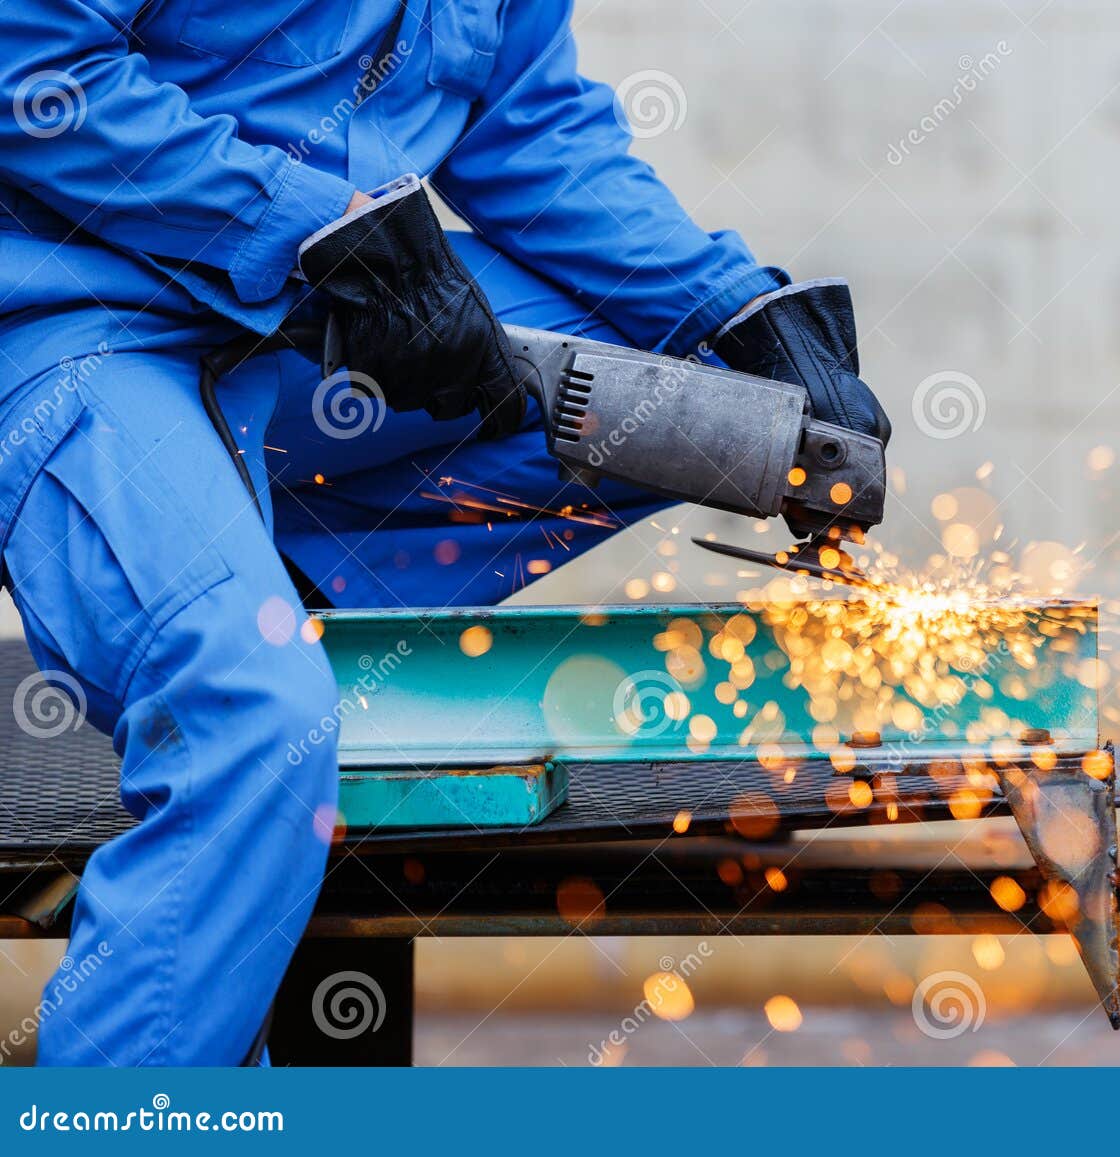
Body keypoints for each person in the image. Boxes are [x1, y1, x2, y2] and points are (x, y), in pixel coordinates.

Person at [0, 0, 889, 1065]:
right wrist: (303, 221)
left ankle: (268, 581)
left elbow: (531, 131)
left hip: (302, 331)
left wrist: (735, 311)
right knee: (248, 715)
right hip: (79, 325)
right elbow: (32, 65)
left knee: (698, 400)